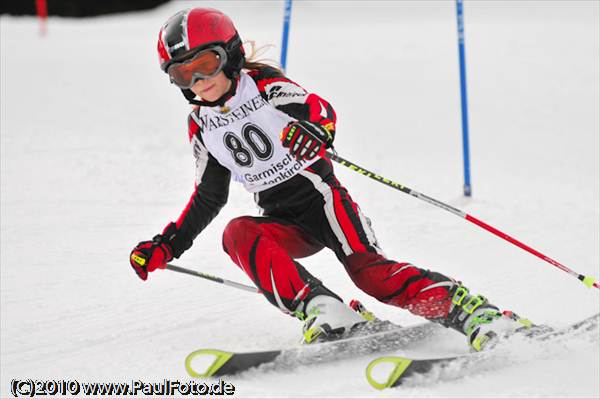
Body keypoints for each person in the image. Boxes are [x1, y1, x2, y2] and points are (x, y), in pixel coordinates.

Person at [129, 7, 531, 351]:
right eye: (184, 75)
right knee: (238, 234)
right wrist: (169, 244)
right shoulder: (201, 125)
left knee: (372, 275)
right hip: (284, 222)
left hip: (325, 203)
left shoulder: (264, 87)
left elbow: (318, 109)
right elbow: (208, 196)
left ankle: (474, 313)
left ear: (231, 55)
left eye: (206, 65)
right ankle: (324, 309)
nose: (199, 82)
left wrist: (314, 132)